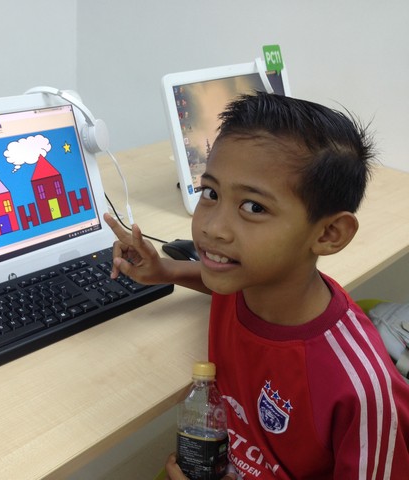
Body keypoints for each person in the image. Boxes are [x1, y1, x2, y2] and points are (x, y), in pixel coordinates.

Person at [104, 92, 409, 479]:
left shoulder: (362, 392)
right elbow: (220, 286)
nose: (212, 228)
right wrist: (165, 270)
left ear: (329, 233)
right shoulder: (245, 280)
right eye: (211, 193)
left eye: (254, 207)